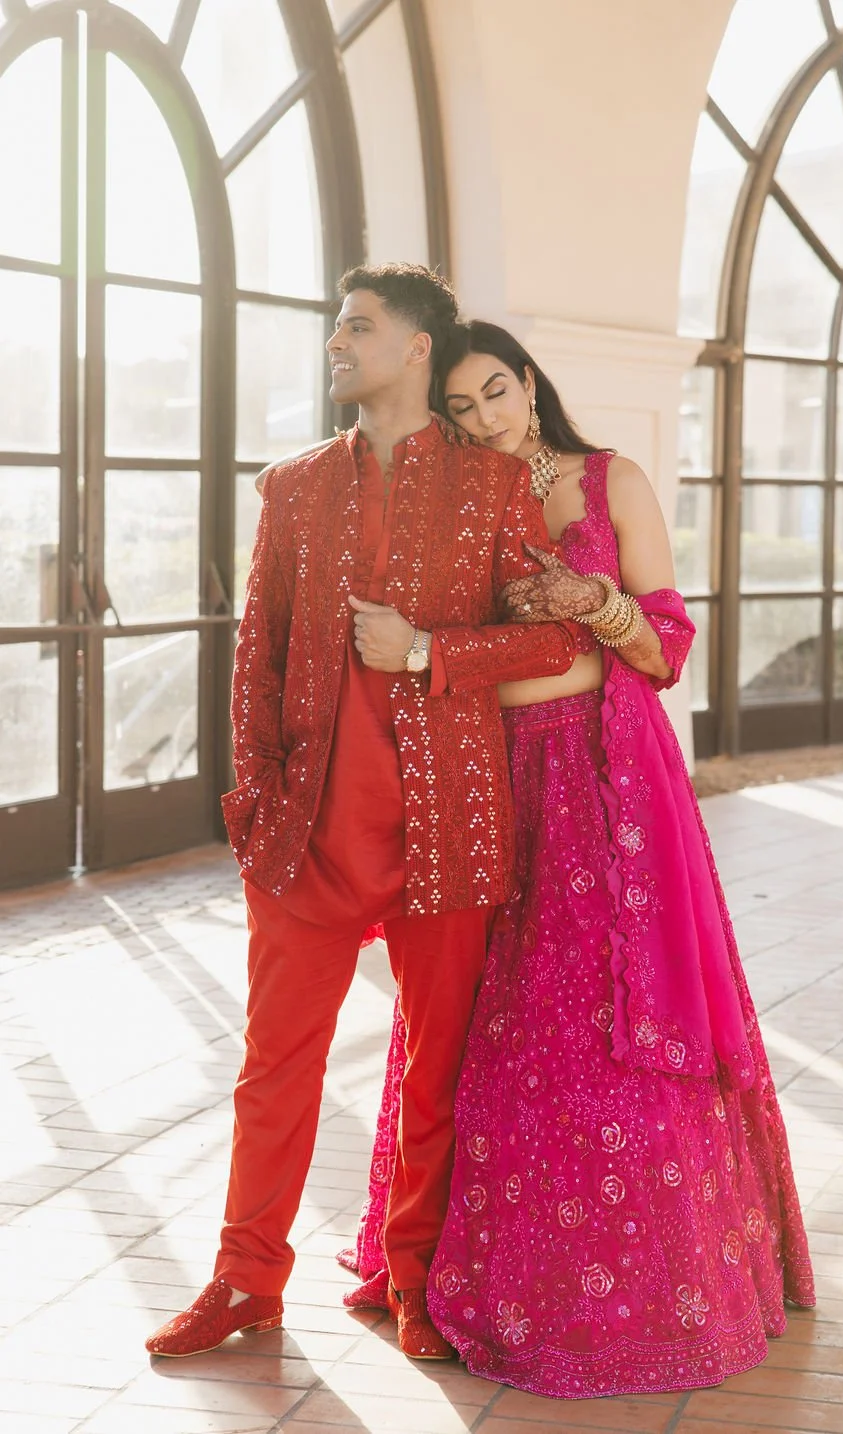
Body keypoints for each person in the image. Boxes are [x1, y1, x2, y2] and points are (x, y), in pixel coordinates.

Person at [340, 320, 815, 1396]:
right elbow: (412, 651)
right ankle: (440, 1266)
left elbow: (665, 648)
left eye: (497, 391)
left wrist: (591, 604)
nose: (485, 418)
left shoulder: (610, 481)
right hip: (491, 772)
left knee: (617, 1003)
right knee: (487, 1004)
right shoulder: (451, 505)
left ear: (529, 381)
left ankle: (657, 1280)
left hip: (609, 777)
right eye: (461, 407)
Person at [144, 268, 598, 1362]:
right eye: (337, 326)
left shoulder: (494, 488)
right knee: (273, 1069)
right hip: (305, 833)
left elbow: (553, 642)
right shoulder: (293, 488)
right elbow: (256, 659)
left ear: (414, 350)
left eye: (357, 327)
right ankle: (246, 1281)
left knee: (432, 1071)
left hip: (451, 826)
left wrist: (434, 649)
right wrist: (250, 807)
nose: (335, 342)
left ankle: (412, 1283)